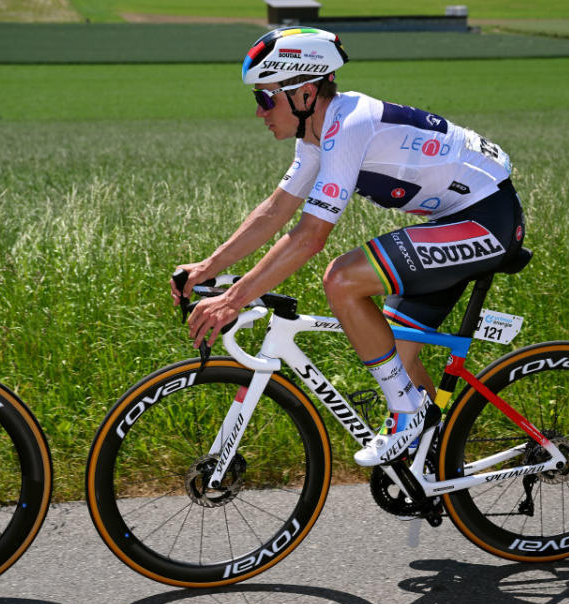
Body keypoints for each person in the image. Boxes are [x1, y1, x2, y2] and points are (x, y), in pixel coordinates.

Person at [172, 27, 524, 467]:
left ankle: (408, 415)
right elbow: (275, 211)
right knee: (395, 350)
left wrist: (232, 299)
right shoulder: (318, 136)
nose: (259, 112)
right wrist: (208, 267)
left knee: (342, 279)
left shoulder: (348, 125)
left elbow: (310, 237)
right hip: (454, 219)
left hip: (485, 220)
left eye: (265, 98)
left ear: (304, 94)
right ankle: (434, 465)